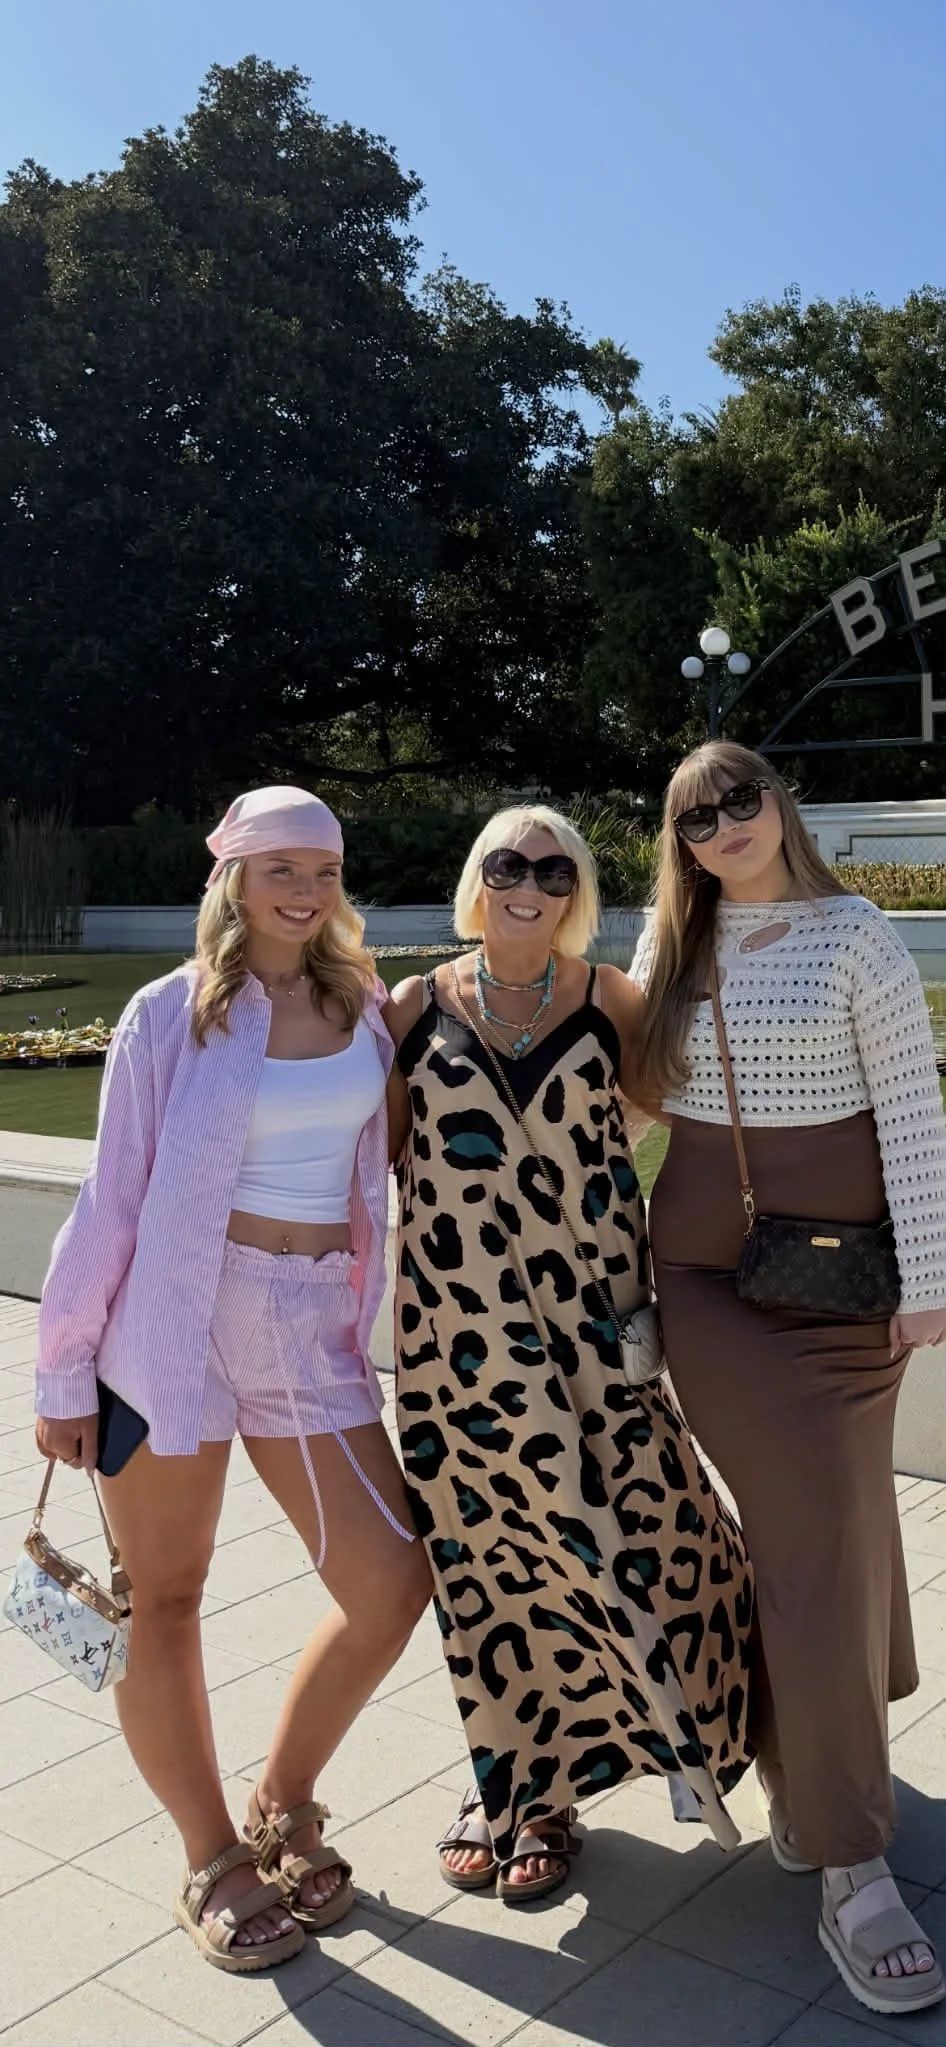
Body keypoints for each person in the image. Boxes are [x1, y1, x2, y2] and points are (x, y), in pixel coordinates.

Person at [34, 786, 431, 1973]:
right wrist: (62, 1370)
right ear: (236, 875)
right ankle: (212, 1854)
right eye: (281, 868)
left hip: (311, 1333)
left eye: (322, 869)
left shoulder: (365, 1011)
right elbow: (110, 1197)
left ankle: (284, 1799)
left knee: (392, 1582)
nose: (304, 890)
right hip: (175, 1328)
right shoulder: (171, 1016)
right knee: (165, 1597)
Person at [384, 803, 755, 1905]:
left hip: (598, 1333)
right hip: (460, 1348)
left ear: (577, 888)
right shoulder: (410, 1005)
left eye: (553, 868)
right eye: (507, 862)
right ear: (477, 876)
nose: (529, 883)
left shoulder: (612, 998)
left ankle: (745, 1717)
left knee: (662, 1525)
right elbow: (379, 1148)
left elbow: (649, 1121)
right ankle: (519, 1791)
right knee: (492, 1561)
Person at [631, 739, 946, 2019]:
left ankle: (823, 1797)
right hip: (705, 1286)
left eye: (739, 798)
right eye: (694, 816)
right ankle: (848, 1849)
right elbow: (626, 1110)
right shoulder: (672, 951)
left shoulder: (857, 931)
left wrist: (929, 1274)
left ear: (779, 802)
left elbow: (913, 1106)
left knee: (835, 1524)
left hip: (842, 1285)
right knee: (814, 1535)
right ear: (680, 840)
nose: (722, 825)